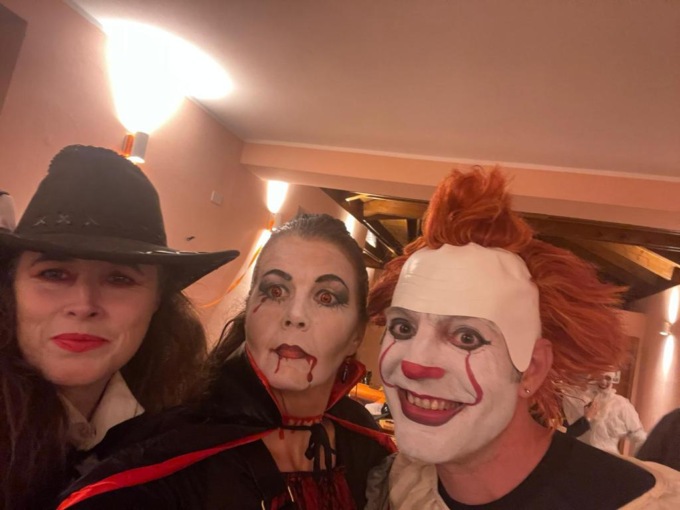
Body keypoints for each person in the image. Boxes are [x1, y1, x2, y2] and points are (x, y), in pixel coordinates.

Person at [365, 168, 680, 509]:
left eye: (467, 337)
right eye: (403, 328)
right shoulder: (396, 485)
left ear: (532, 368)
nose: (415, 365)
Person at [57, 213, 396, 509]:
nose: (295, 316)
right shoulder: (166, 454)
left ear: (356, 334)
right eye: (276, 291)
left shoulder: (367, 444)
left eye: (326, 297)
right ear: (249, 312)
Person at [0, 145, 239, 509]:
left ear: (158, 300)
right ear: (12, 287)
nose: (84, 305)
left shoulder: (176, 427)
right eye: (54, 274)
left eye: (119, 279)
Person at [563, 371, 647, 455]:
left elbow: (639, 437)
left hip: (609, 458)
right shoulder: (578, 399)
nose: (603, 382)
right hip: (581, 456)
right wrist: (587, 418)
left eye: (608, 378)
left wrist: (638, 461)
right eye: (599, 377)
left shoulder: (622, 405)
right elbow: (570, 434)